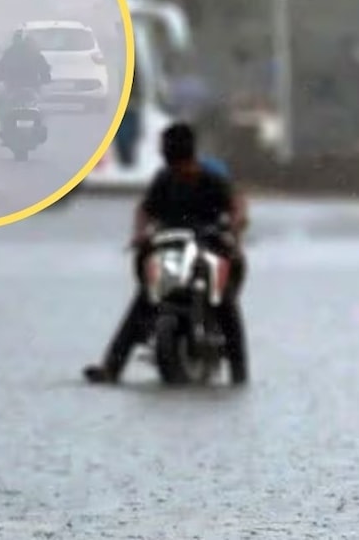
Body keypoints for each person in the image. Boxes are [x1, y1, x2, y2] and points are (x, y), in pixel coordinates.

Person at [83, 123, 249, 385]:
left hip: (207, 246)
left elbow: (236, 203)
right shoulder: (164, 179)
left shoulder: (212, 180)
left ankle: (240, 372)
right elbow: (144, 209)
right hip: (170, 247)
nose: (178, 171)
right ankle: (112, 368)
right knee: (145, 298)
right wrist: (140, 233)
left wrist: (235, 223)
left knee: (225, 301)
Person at [0, 29, 50, 121]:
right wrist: (45, 80)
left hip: (15, 87)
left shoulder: (10, 52)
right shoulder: (35, 53)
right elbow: (45, 70)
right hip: (28, 87)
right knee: (42, 106)